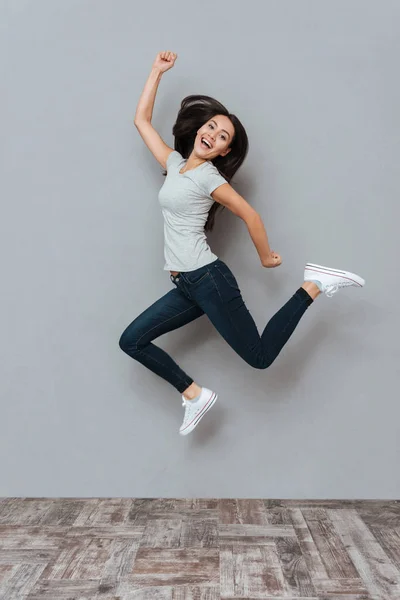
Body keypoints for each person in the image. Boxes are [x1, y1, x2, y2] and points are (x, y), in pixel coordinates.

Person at [119, 50, 365, 436]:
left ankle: (314, 284)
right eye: (211, 127)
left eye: (222, 137)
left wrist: (266, 257)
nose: (211, 136)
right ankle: (194, 395)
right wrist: (156, 71)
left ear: (224, 151)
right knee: (132, 340)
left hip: (208, 280)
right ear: (200, 129)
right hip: (187, 285)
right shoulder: (175, 165)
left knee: (261, 357)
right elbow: (141, 121)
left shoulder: (209, 179)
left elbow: (250, 215)